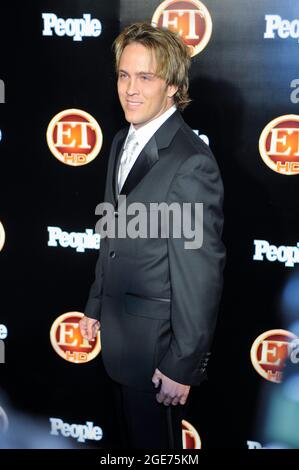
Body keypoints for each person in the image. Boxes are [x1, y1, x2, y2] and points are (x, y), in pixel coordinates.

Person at [79, 22, 225, 449]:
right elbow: (114, 234)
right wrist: (95, 303)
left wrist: (183, 363)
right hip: (118, 343)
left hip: (157, 355)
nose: (130, 88)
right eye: (124, 75)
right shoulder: (122, 139)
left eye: (145, 77)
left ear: (173, 86)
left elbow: (201, 277)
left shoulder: (192, 164)